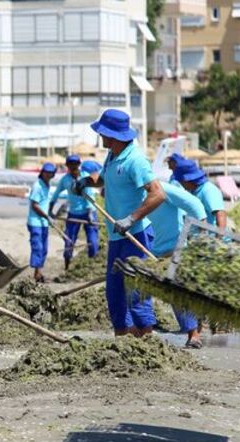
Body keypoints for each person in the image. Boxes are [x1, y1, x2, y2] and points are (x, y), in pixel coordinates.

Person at [92, 109, 166, 337]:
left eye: (102, 133)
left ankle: (147, 339)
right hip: (117, 237)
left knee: (135, 291)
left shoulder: (135, 160)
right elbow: (103, 179)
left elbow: (158, 194)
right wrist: (85, 182)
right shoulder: (112, 155)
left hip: (136, 235)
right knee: (114, 291)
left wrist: (131, 218)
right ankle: (122, 339)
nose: (100, 137)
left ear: (112, 135)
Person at [147, 177, 208, 348]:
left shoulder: (164, 189)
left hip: (174, 249)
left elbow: (195, 205)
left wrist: (203, 235)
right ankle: (146, 329)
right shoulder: (135, 194)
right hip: (152, 250)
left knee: (176, 293)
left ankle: (193, 334)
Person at [48, 155, 100, 269]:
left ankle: (93, 267)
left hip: (89, 212)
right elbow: (55, 194)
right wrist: (50, 210)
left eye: (75, 164)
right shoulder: (65, 179)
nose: (73, 167)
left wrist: (90, 212)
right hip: (74, 214)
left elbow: (89, 195)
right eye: (70, 164)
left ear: (78, 165)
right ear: (67, 166)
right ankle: (67, 265)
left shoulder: (85, 177)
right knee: (69, 241)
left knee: (92, 241)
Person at [175, 158, 226, 229]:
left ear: (187, 180)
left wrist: (219, 239)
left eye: (181, 181)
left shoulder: (208, 190)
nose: (180, 184)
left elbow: (220, 214)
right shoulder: (193, 191)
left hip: (210, 237)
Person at [28, 163, 57, 283]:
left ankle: (39, 273)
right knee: (38, 247)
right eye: (46, 172)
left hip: (43, 223)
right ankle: (37, 274)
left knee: (44, 248)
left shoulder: (47, 185)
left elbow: (45, 203)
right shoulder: (38, 186)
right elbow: (34, 205)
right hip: (35, 222)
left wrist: (50, 215)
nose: (48, 175)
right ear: (42, 172)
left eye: (51, 173)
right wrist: (46, 216)